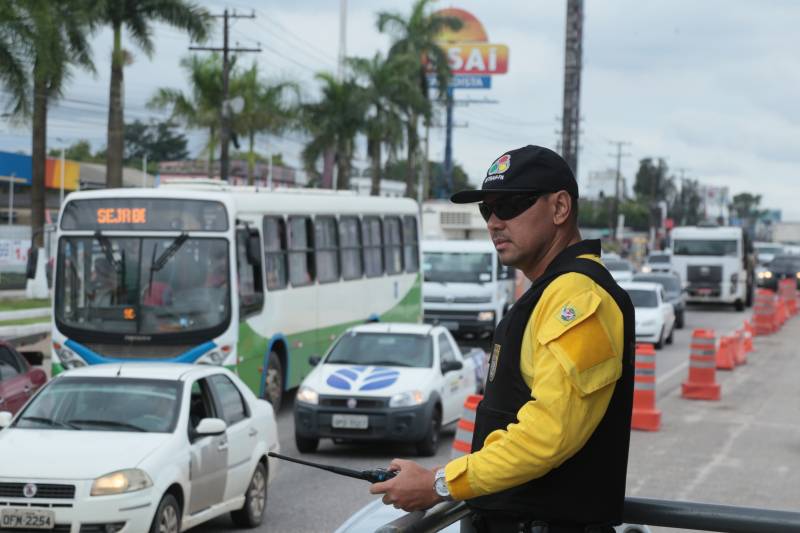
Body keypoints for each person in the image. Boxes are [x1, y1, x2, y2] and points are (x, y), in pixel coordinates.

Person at [370, 145, 635, 533]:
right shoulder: (551, 292)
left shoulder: (577, 298)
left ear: (560, 208)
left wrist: (439, 484)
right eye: (487, 210)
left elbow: (550, 433)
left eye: (510, 205)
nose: (494, 222)